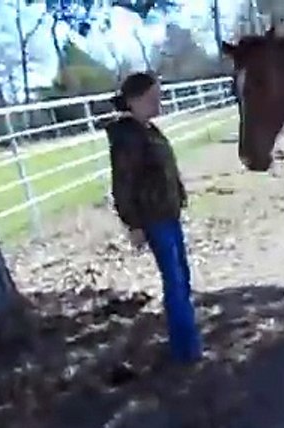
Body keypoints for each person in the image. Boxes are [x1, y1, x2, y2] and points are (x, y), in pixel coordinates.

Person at [105, 71, 203, 364]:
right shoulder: (128, 138)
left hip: (168, 213)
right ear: (134, 101)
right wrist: (133, 224)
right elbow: (123, 183)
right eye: (152, 97)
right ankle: (187, 351)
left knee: (181, 278)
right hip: (154, 218)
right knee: (175, 282)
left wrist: (179, 194)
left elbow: (166, 169)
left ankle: (185, 344)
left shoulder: (149, 131)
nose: (158, 102)